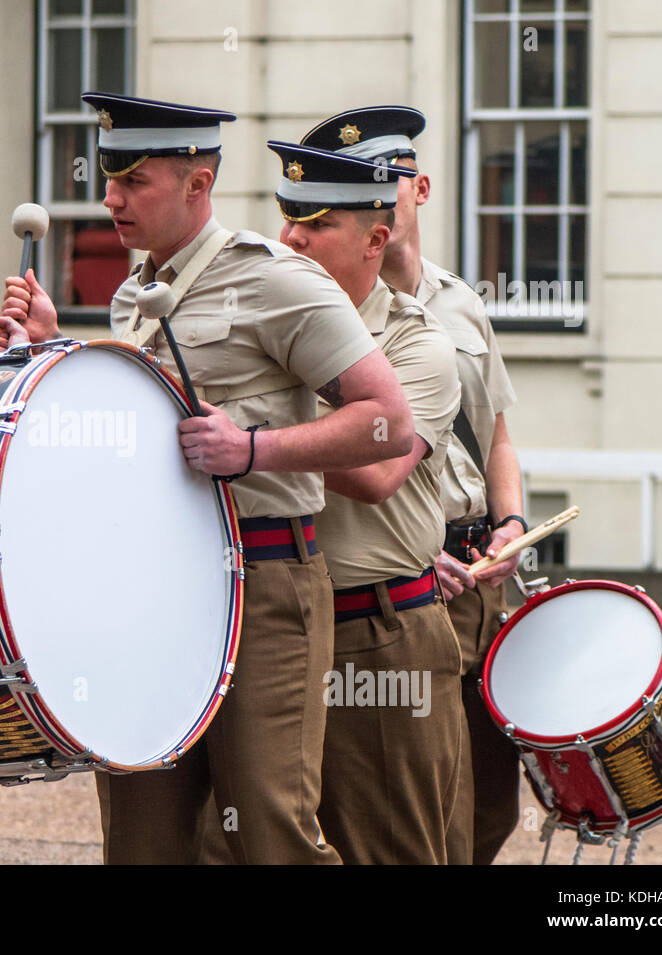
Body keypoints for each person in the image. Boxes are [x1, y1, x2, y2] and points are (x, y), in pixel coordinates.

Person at [0, 93, 413, 864]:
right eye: (109, 176)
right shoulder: (130, 296)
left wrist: (254, 449)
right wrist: (49, 353)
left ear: (196, 185)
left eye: (134, 179)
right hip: (153, 590)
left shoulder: (277, 280)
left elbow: (388, 422)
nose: (109, 195)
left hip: (266, 582)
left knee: (272, 830)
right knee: (143, 834)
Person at [301, 106, 525, 863]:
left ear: (417, 187)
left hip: (481, 571)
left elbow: (495, 430)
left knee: (491, 792)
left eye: (387, 178)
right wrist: (417, 554)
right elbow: (371, 475)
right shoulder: (324, 315)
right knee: (423, 801)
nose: (379, 194)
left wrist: (513, 521)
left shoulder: (462, 301)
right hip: (413, 573)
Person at [267, 140, 464, 864]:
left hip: (375, 630)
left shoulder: (420, 346)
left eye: (316, 222)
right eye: (288, 216)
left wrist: (250, 441)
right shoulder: (269, 328)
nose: (291, 237)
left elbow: (378, 469)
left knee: (387, 848)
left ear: (376, 239)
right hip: (277, 626)